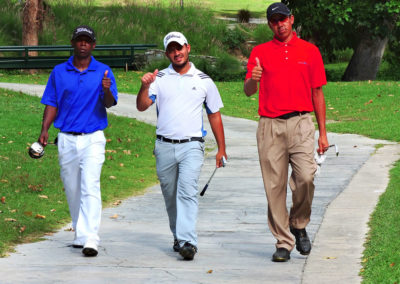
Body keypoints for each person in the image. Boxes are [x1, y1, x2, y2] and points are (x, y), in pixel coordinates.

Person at [244, 2, 329, 262]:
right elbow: (248, 91)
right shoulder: (259, 52)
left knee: (305, 177)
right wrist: (253, 78)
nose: (279, 24)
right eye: (274, 21)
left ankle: (299, 223)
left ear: (292, 20)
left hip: (301, 122)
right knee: (274, 186)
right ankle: (283, 241)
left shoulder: (310, 51)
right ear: (270, 24)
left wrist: (323, 134)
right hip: (270, 124)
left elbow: (318, 92)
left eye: (283, 19)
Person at [136, 31, 227, 261]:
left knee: (187, 191)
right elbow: (142, 105)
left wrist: (221, 148)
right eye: (171, 49)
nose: (177, 52)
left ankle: (188, 242)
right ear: (167, 53)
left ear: (188, 48)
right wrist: (144, 86)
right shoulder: (160, 79)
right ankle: (178, 236)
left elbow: (214, 114)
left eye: (180, 48)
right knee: (170, 194)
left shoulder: (204, 80)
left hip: (192, 146)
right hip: (164, 146)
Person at [38, 25, 118, 257]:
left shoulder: (103, 71)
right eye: (79, 40)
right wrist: (44, 129)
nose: (83, 44)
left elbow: (110, 103)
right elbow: (52, 102)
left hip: (93, 137)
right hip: (66, 138)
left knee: (90, 185)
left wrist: (106, 90)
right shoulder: (59, 71)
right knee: (72, 188)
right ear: (73, 43)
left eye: (87, 41)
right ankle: (80, 233)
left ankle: (91, 237)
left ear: (93, 45)